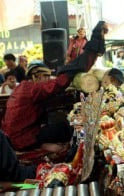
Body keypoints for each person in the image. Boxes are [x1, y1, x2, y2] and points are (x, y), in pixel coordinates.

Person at [2, 21, 109, 153]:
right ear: (36, 76)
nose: (48, 79)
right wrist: (72, 71)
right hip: (21, 138)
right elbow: (58, 83)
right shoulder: (31, 89)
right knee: (66, 129)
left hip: (16, 135)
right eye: (45, 76)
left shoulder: (23, 87)